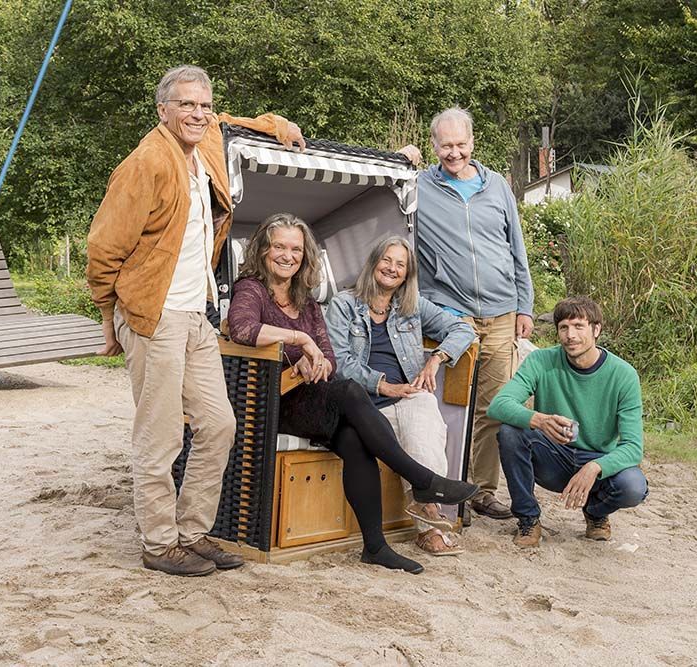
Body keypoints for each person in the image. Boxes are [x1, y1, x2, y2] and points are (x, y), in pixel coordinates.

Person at [87, 64, 306, 577]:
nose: (198, 113)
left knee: (219, 424)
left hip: (196, 315)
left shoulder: (204, 142)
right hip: (153, 313)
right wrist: (108, 318)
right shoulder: (145, 164)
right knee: (159, 435)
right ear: (162, 109)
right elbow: (102, 250)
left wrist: (276, 125)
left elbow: (231, 121)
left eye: (203, 105)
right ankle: (159, 544)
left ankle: (192, 531)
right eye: (186, 104)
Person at [227, 214, 481, 574]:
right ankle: (424, 481)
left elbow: (330, 357)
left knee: (353, 439)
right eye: (279, 247)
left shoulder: (307, 299)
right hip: (272, 399)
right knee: (348, 390)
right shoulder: (251, 289)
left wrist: (316, 363)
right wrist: (299, 342)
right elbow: (242, 328)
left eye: (296, 249)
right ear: (263, 251)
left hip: (310, 398)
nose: (288, 255)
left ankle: (375, 546)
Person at [398, 107, 534, 521]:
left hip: (501, 312)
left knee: (495, 406)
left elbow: (517, 249)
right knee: (449, 406)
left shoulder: (497, 187)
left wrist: (524, 304)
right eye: (445, 146)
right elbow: (381, 186)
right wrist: (399, 158)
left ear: (472, 143)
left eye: (460, 145)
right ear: (434, 145)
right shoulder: (419, 186)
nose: (453, 153)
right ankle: (445, 490)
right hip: (449, 314)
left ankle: (481, 490)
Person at [325, 236, 477, 556]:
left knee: (426, 424)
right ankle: (432, 524)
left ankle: (429, 522)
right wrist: (383, 385)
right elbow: (339, 362)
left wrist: (435, 359)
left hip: (406, 395)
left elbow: (464, 330)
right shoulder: (343, 304)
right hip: (362, 403)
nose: (392, 269)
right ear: (373, 262)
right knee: (413, 423)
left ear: (407, 274)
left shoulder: (412, 306)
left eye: (400, 265)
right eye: (387, 260)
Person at [487, 296, 648, 547]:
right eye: (564, 327)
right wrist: (538, 420)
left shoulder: (623, 375)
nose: (570, 335)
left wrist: (595, 468)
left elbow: (633, 447)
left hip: (596, 460)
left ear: (596, 329)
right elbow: (499, 405)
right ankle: (528, 518)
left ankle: (595, 513)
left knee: (633, 486)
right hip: (553, 457)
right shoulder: (541, 361)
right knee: (510, 432)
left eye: (578, 326)